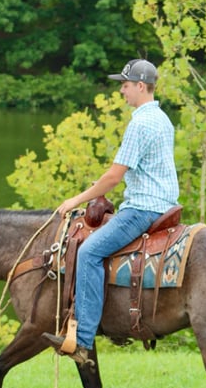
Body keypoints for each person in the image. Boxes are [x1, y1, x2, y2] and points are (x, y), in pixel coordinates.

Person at [42, 59, 180, 365]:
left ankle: (82, 340)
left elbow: (114, 176)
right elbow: (143, 171)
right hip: (162, 203)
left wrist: (76, 200)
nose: (121, 90)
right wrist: (102, 187)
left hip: (143, 208)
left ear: (141, 87)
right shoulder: (161, 118)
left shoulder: (140, 123)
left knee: (88, 252)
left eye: (126, 84)